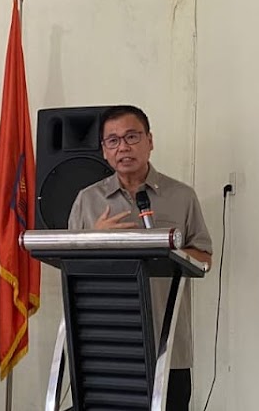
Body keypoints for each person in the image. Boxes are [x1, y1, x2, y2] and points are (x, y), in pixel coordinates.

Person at [67, 105, 212, 411]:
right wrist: (96, 238)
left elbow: (204, 257)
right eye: (113, 140)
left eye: (132, 137)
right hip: (104, 344)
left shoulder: (181, 196)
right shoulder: (87, 200)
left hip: (166, 344)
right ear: (104, 150)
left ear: (150, 140)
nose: (123, 147)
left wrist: (164, 252)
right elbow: (70, 268)